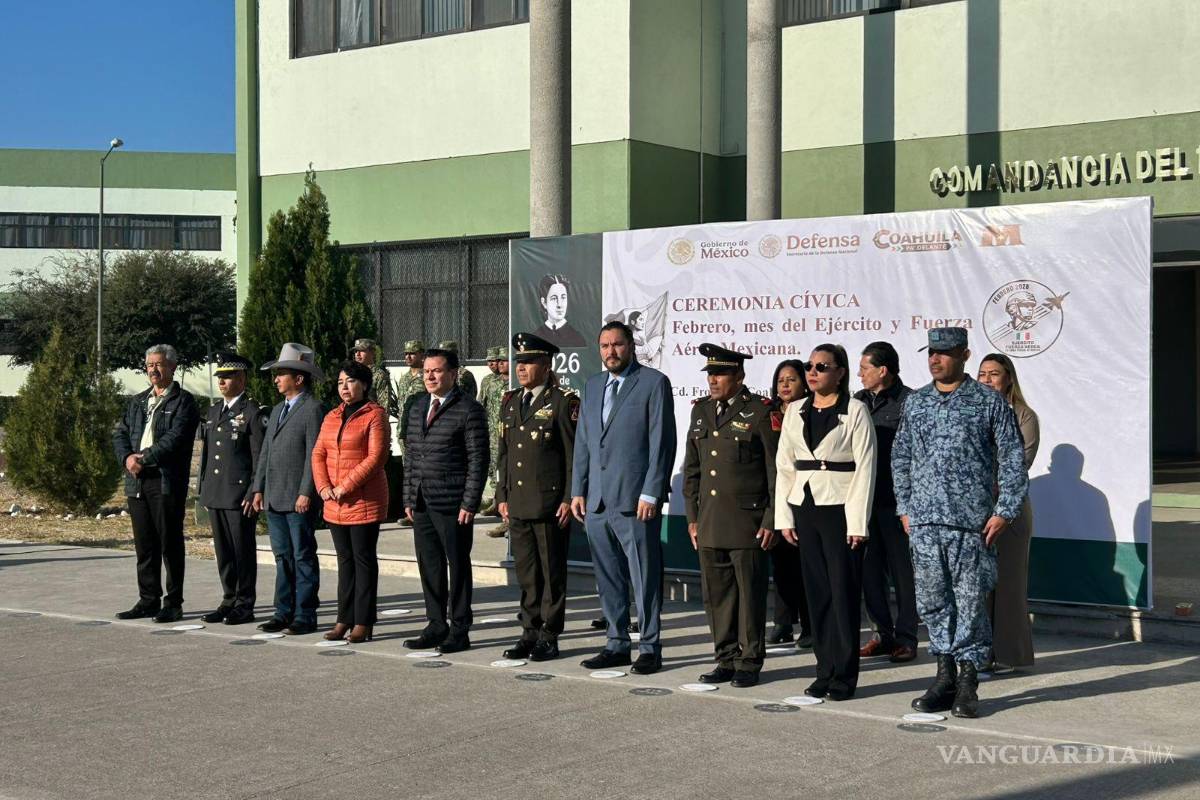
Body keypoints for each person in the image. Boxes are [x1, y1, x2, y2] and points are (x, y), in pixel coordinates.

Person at [893, 328, 1027, 718]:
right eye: (932, 352)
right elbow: (901, 456)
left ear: (965, 355)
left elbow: (1013, 458)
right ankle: (944, 676)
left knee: (970, 603)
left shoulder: (988, 401)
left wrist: (1005, 510)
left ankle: (968, 682)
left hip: (971, 524)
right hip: (925, 524)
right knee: (933, 602)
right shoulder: (917, 402)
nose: (936, 359)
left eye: (945, 352)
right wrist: (905, 507)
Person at [571, 320, 676, 675]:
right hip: (597, 501)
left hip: (635, 501)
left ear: (631, 346)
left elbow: (662, 442)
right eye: (605, 346)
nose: (611, 352)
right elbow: (584, 442)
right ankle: (616, 643)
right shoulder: (592, 385)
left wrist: (652, 491)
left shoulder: (653, 383)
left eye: (617, 344)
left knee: (644, 577)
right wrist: (578, 489)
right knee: (608, 577)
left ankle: (649, 647)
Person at [775, 344, 877, 701]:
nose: (813, 372)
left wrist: (857, 523)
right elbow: (784, 465)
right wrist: (784, 516)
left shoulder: (855, 410)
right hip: (805, 505)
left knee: (843, 593)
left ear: (840, 372)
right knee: (817, 594)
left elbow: (866, 468)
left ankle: (844, 675)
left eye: (822, 366)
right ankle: (824, 669)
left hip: (841, 509)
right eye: (809, 366)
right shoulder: (796, 410)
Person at [683, 344, 778, 688]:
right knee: (717, 596)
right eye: (710, 373)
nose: (713, 380)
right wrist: (692, 518)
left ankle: (749, 661)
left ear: (739, 376)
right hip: (709, 522)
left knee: (749, 597)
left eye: (720, 373)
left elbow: (775, 472)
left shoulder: (760, 411)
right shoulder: (701, 411)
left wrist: (770, 519)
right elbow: (692, 470)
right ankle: (725, 658)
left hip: (747, 523)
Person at [496, 333, 579, 662]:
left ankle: (549, 635)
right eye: (519, 362)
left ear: (546, 366)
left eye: (529, 362)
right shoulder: (511, 401)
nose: (521, 368)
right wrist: (502, 494)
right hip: (518, 503)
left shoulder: (562, 402)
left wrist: (569, 497)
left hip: (549, 505)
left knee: (551, 574)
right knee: (527, 574)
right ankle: (529, 632)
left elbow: (573, 456)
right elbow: (504, 453)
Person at [402, 347, 489, 653]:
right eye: (427, 371)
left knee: (458, 566)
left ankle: (460, 629)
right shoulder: (417, 407)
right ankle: (436, 624)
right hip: (422, 501)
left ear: (453, 374)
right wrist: (408, 495)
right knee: (430, 566)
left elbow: (478, 459)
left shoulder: (469, 409)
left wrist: (470, 502)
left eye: (437, 371)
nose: (430, 376)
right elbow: (412, 455)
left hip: (453, 503)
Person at [113, 344, 200, 622]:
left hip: (164, 481)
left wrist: (144, 458)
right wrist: (127, 458)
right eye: (149, 365)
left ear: (172, 367)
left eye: (159, 364)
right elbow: (120, 433)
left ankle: (173, 603)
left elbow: (175, 439)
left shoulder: (183, 401)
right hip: (136, 480)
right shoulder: (138, 401)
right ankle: (148, 599)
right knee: (144, 545)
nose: (153, 369)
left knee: (169, 544)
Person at [312, 360, 391, 644]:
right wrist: (323, 487)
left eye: (351, 381)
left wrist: (345, 486)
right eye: (340, 382)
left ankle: (363, 622)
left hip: (363, 501)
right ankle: (343, 619)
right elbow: (318, 453)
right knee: (345, 562)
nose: (344, 387)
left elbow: (376, 457)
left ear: (364, 385)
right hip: (334, 502)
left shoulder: (375, 415)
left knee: (363, 560)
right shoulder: (332, 415)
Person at [251, 343, 327, 636]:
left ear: (299, 378)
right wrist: (258, 488)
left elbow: (313, 455)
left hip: (297, 498)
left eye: (281, 374)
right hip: (274, 497)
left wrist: (306, 491)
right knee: (282, 556)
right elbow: (266, 453)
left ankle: (305, 614)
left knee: (302, 556)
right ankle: (283, 612)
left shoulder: (313, 409)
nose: (276, 379)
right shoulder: (277, 410)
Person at [854, 341, 918, 663]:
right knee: (870, 573)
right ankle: (881, 634)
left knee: (903, 574)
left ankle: (906, 638)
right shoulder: (857, 401)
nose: (859, 374)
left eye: (864, 368)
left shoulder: (910, 402)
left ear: (882, 370)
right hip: (864, 502)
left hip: (897, 504)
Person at [977, 351, 1039, 671]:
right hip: (974, 509)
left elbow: (1019, 464)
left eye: (994, 374)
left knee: (1009, 586)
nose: (987, 380)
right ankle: (978, 655)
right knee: (977, 587)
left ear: (1008, 378)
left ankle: (1009, 656)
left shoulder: (1023, 415)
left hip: (1009, 510)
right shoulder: (970, 412)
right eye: (982, 374)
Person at [197, 352, 267, 626]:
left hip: (239, 495)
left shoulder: (252, 413)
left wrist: (254, 490)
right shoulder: (214, 411)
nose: (222, 382)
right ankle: (228, 599)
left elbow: (259, 457)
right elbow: (207, 455)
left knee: (242, 551)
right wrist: (204, 489)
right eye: (220, 377)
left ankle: (244, 603)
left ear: (242, 378)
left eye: (228, 376)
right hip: (216, 492)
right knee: (224, 552)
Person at [766, 359, 813, 650]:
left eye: (791, 379)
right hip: (776, 496)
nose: (785, 385)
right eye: (780, 380)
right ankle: (783, 623)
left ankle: (809, 625)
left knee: (805, 566)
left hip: (805, 495)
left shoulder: (812, 411)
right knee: (781, 564)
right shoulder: (767, 414)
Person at [534, 273, 586, 348]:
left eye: (563, 297)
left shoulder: (578, 339)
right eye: (554, 298)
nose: (559, 304)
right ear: (544, 302)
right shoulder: (535, 338)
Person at [352, 338, 397, 419]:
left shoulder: (379, 375)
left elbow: (384, 406)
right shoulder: (352, 374)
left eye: (362, 350)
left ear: (372, 352)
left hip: (371, 421)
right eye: (356, 351)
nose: (357, 354)